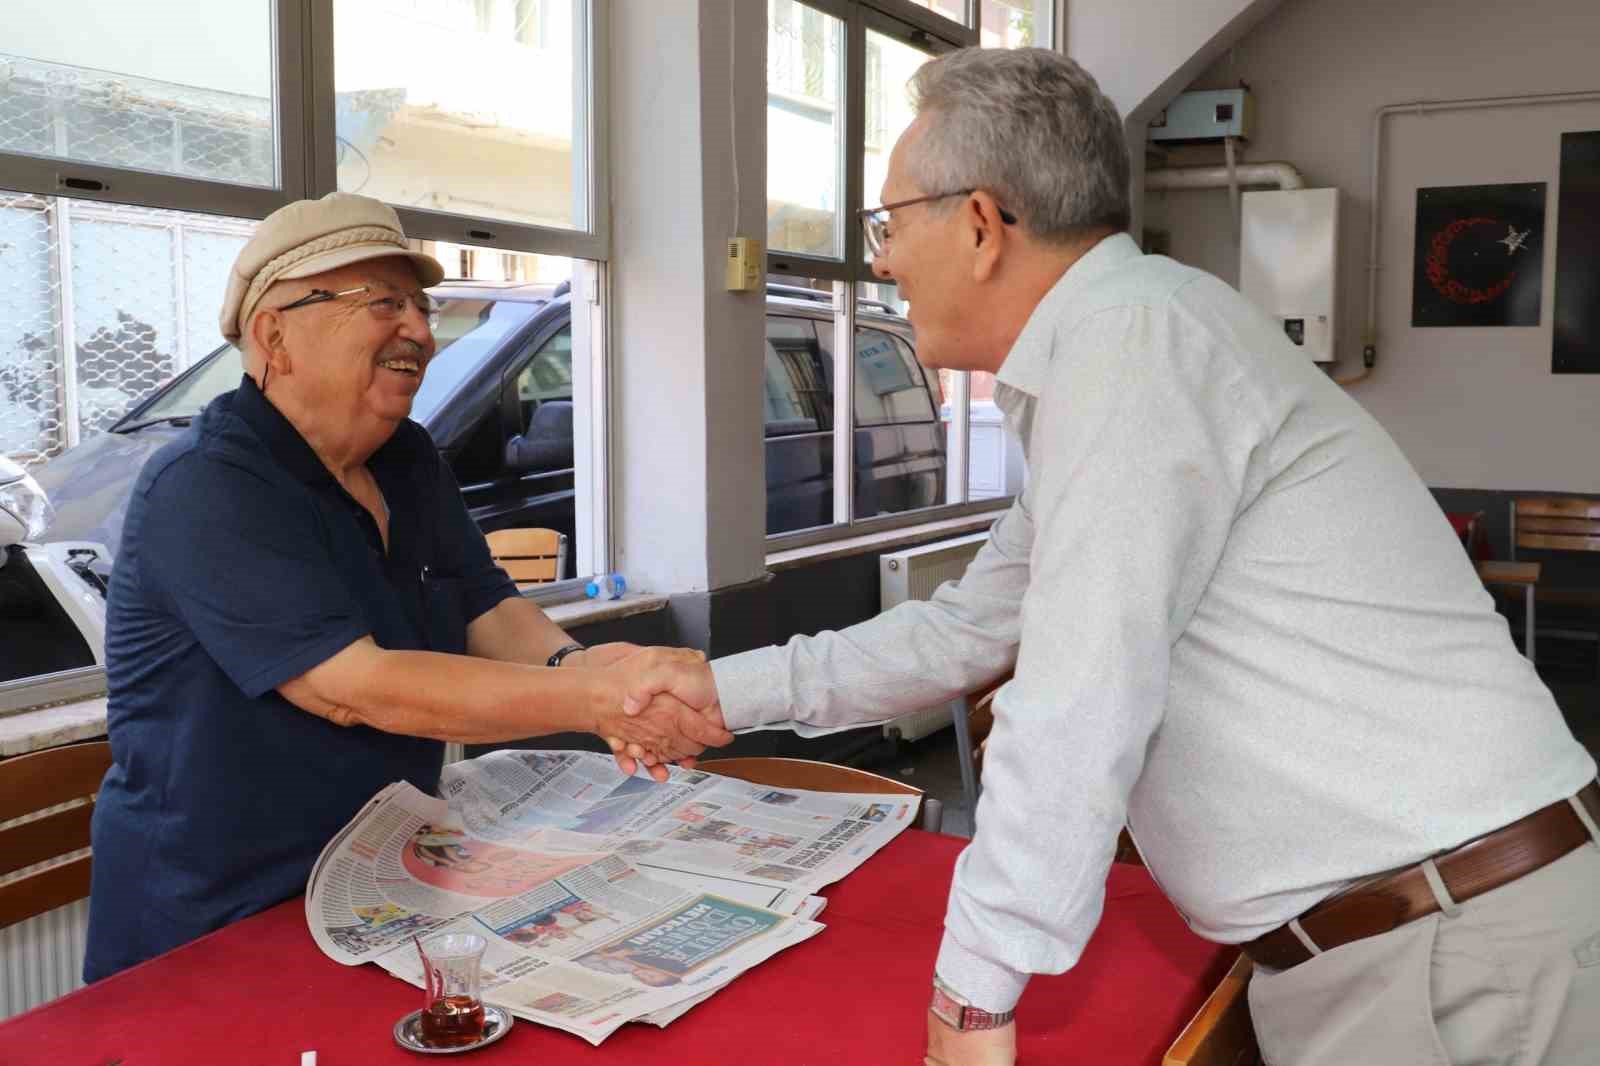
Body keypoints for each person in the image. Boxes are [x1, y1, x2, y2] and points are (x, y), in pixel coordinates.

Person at [616, 49, 1600, 1066]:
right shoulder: (1114, 349)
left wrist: (972, 992)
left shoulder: (1133, 345)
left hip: (1451, 957)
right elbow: (965, 628)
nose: (882, 260)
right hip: (1409, 940)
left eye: (888, 223)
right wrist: (711, 688)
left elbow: (1080, 687)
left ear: (980, 223)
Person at [85, 192, 728, 982]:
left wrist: (591, 671)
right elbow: (355, 686)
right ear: (274, 336)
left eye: (420, 306)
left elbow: (483, 604)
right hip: (217, 924)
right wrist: (602, 706)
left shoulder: (407, 457)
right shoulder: (206, 486)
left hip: (378, 888)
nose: (421, 332)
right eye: (382, 303)